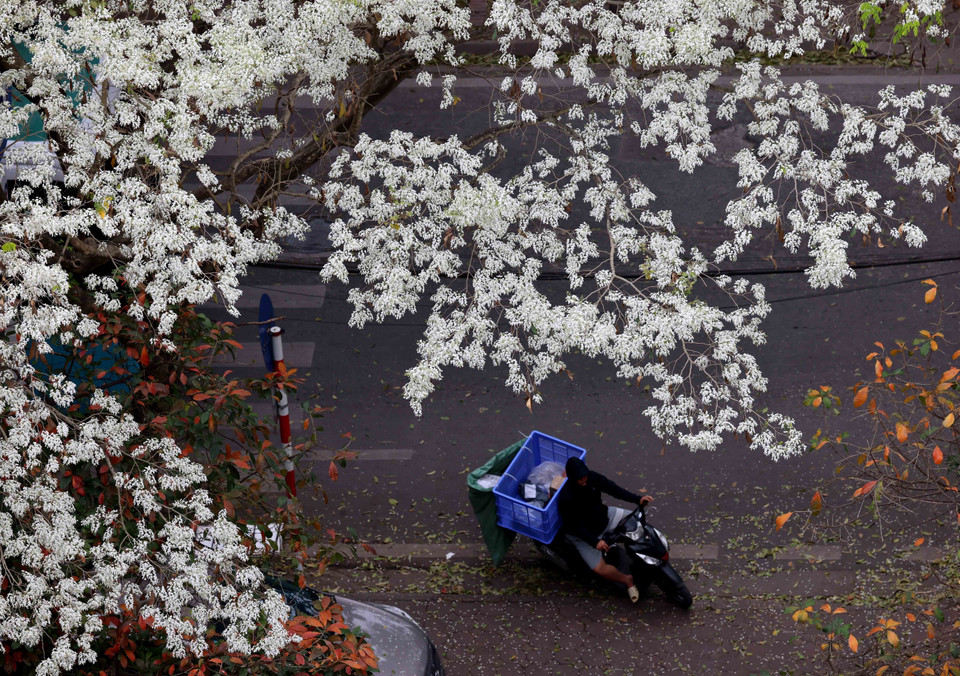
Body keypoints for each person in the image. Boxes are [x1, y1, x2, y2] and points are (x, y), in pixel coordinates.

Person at [557, 456, 652, 602]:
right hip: (584, 535)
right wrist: (595, 542)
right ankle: (627, 580)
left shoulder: (592, 478)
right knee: (599, 569)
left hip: (605, 517)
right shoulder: (566, 497)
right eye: (579, 479)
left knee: (637, 522)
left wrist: (637, 499)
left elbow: (613, 489)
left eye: (585, 477)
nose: (584, 481)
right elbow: (574, 525)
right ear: (571, 478)